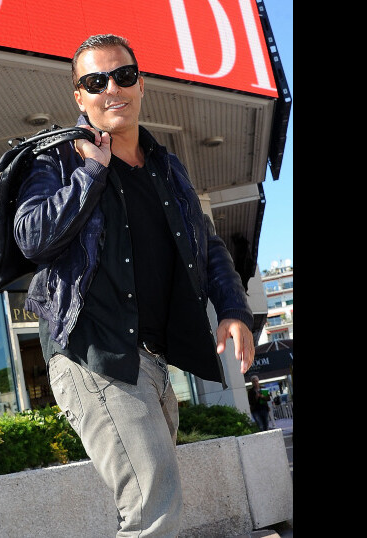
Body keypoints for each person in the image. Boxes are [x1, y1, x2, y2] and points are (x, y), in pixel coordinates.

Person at [14, 34, 255, 536]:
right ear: (79, 97)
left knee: (155, 496)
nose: (112, 89)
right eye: (95, 81)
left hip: (149, 358)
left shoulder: (167, 168)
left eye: (123, 76)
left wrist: (233, 308)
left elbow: (206, 244)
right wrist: (90, 174)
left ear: (141, 84)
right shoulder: (57, 161)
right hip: (91, 352)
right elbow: (31, 237)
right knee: (153, 500)